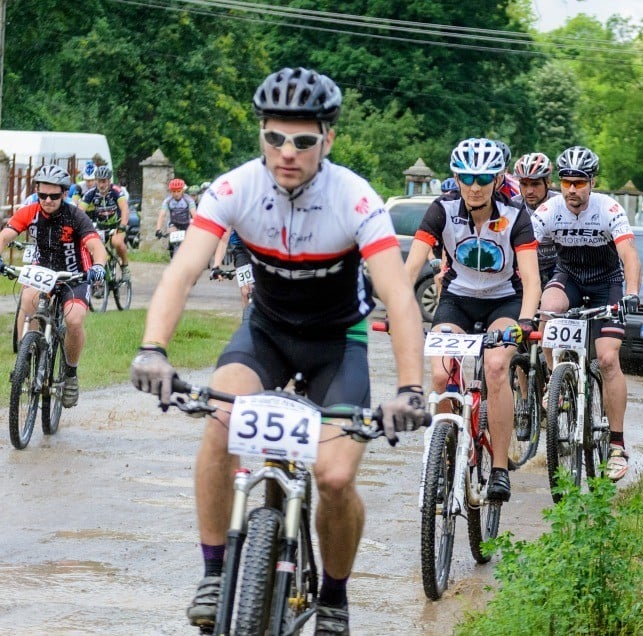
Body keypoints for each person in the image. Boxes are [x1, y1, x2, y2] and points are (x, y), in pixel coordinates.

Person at [128, 66, 428, 635]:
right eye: (274, 137)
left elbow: (398, 297)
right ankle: (215, 572)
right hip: (265, 334)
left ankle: (335, 599)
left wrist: (411, 389)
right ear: (261, 132)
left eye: (303, 140)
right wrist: (152, 350)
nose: (287, 152)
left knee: (336, 479)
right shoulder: (236, 187)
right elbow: (182, 271)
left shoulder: (356, 199)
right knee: (220, 420)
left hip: (338, 343)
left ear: (328, 140)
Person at [404, 137, 541, 502]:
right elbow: (412, 266)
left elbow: (530, 278)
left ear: (497, 180)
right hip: (457, 300)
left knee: (496, 367)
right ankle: (447, 453)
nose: (475, 186)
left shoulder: (516, 214)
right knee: (440, 372)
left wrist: (526, 320)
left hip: (504, 301)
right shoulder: (441, 209)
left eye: (483, 178)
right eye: (466, 177)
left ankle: (498, 468)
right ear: (456, 178)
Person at [531, 145, 641, 482]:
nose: (572, 190)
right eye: (566, 182)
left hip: (606, 281)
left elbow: (629, 254)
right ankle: (555, 379)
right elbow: (522, 250)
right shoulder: (549, 210)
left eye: (579, 183)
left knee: (607, 360)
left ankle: (618, 445)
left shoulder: (608, 208)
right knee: (548, 309)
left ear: (591, 182)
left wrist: (632, 293)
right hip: (570, 277)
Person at [0, 165, 108, 408]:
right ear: (37, 192)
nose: (47, 200)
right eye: (42, 195)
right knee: (27, 301)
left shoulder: (76, 216)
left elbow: (96, 247)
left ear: (64, 194)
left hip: (74, 274)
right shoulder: (30, 212)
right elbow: (5, 235)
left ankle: (70, 374)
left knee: (74, 320)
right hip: (44, 270)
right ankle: (25, 362)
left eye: (54, 196)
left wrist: (98, 266)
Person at [512, 152, 560, 286]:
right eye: (524, 184)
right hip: (524, 268)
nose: (529, 191)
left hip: (558, 268)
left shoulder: (561, 203)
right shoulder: (512, 207)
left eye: (535, 184)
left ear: (548, 182)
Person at [80, 165, 131, 282]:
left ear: (109, 180)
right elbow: (80, 212)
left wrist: (123, 225)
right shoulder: (91, 193)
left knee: (117, 242)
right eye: (99, 181)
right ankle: (99, 280)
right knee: (92, 248)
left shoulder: (116, 191)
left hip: (117, 225)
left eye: (104, 181)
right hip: (100, 227)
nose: (101, 185)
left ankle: (125, 266)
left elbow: (124, 208)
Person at [155, 178, 197, 255]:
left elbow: (194, 214)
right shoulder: (168, 200)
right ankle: (172, 248)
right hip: (174, 223)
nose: (176, 194)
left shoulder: (189, 200)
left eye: (178, 191)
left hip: (186, 223)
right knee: (173, 233)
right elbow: (162, 214)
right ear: (171, 191)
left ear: (182, 191)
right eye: (174, 191)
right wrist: (158, 229)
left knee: (190, 241)